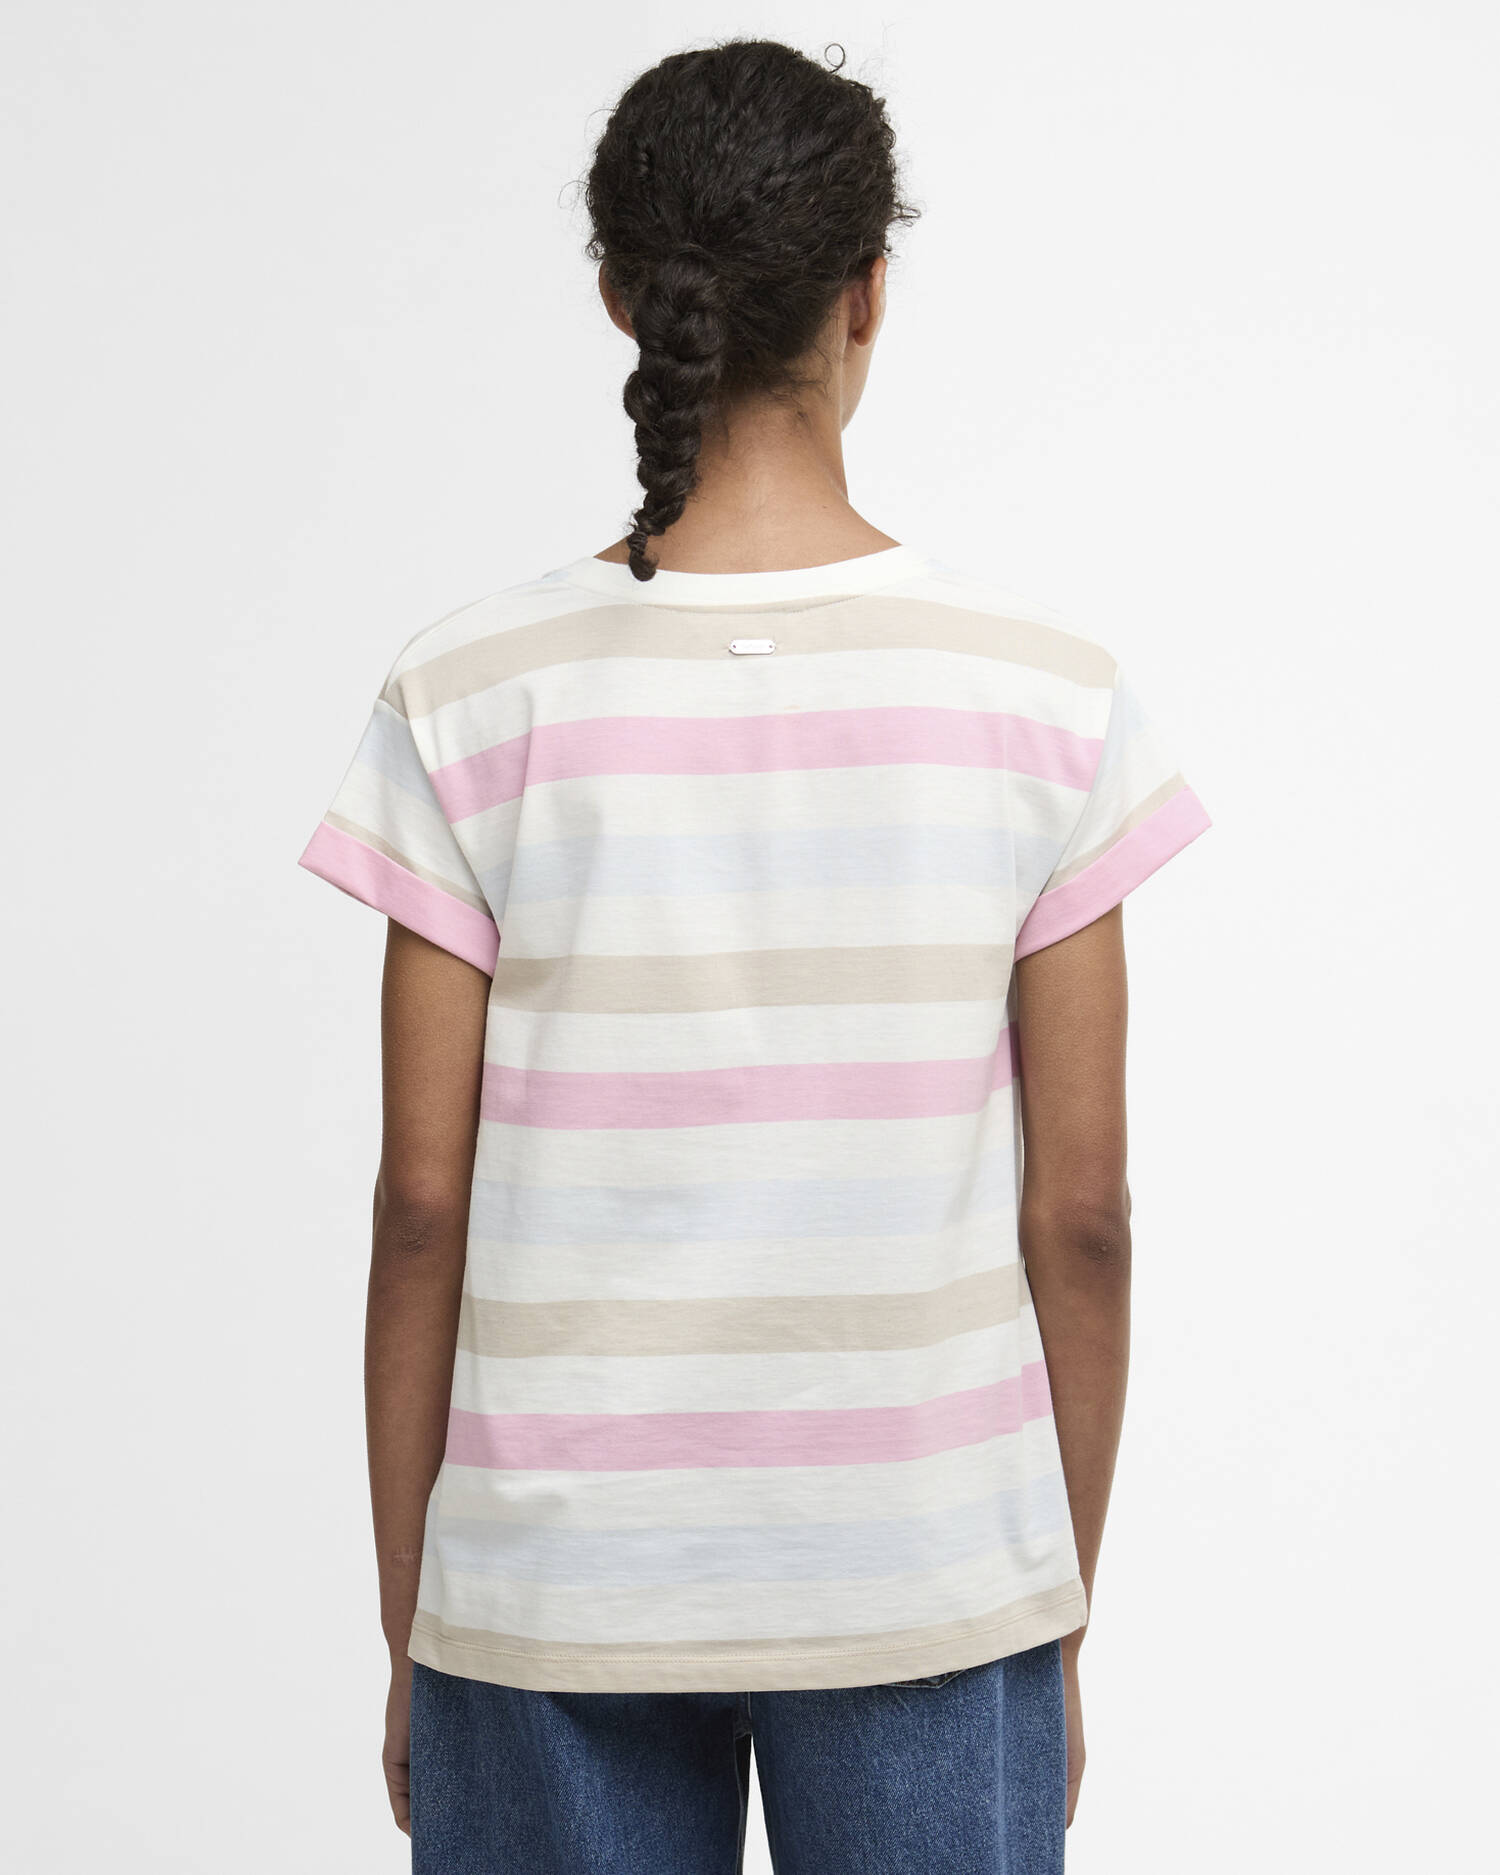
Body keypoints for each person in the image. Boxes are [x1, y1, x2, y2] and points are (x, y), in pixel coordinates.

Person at [297, 37, 1210, 1875]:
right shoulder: (1045, 696)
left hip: (551, 1589)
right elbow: (1084, 1215)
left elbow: (420, 1202)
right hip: (929, 1569)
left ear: (622, 298)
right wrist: (1048, 1604)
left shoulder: (470, 689)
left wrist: (421, 1624)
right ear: (871, 292)